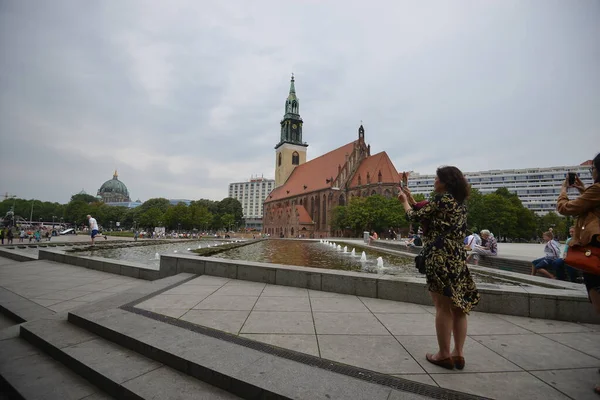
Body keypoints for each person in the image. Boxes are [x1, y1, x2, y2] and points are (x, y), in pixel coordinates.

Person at [398, 166, 480, 371]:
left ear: (445, 182)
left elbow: (412, 217)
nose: (435, 181)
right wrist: (412, 198)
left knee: (442, 307)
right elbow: (428, 212)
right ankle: (458, 354)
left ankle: (443, 354)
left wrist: (404, 202)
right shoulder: (459, 203)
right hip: (457, 257)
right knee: (459, 307)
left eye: (437, 178)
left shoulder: (441, 200)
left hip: (439, 257)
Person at [556, 153, 600, 395]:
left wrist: (564, 189)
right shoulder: (595, 191)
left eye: (593, 168)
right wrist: (585, 189)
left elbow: (567, 208)